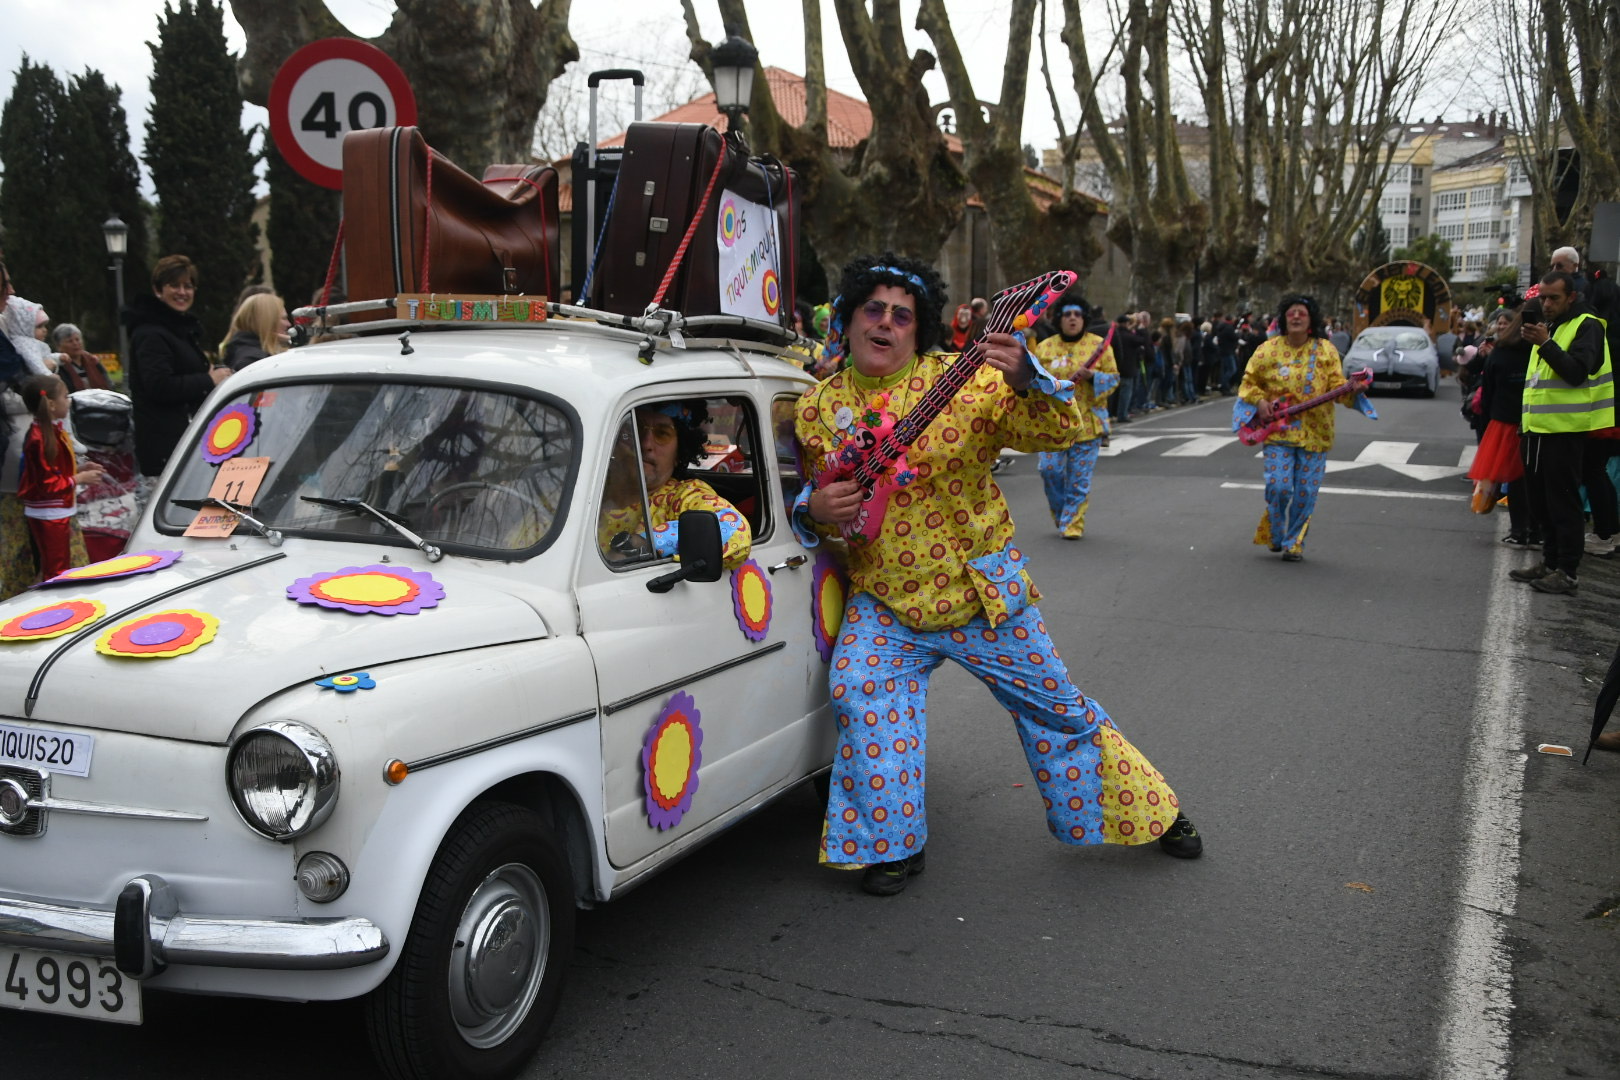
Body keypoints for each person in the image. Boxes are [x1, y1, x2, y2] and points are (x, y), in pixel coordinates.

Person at [792, 253, 1203, 897]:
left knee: (1058, 711)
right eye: (873, 308)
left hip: (982, 594)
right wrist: (812, 508)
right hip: (887, 601)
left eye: (902, 315)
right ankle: (891, 846)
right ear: (847, 319)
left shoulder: (969, 381)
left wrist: (1025, 378)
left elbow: (1062, 430)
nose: (886, 323)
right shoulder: (816, 408)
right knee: (860, 692)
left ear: (919, 328)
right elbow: (820, 493)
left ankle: (1151, 813)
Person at [1233, 293, 1375, 561]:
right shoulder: (1267, 350)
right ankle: (1275, 532)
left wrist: (1353, 390)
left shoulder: (1325, 350)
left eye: (1302, 313)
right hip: (1278, 432)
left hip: (1316, 433)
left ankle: (1293, 542)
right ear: (1284, 320)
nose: (1296, 316)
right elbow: (1248, 384)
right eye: (1291, 313)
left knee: (1306, 492)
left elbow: (1337, 388)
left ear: (1311, 320)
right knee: (1279, 487)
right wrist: (1260, 401)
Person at [1509, 271, 1615, 594]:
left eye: (1553, 297)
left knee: (1563, 503)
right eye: (1542, 297)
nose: (1546, 303)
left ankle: (1567, 572)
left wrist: (1545, 344)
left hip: (1566, 432)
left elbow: (1575, 372)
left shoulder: (1588, 325)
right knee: (1540, 503)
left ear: (1571, 296)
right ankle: (1550, 562)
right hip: (1538, 430)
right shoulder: (1552, 327)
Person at [597, 400, 751, 569]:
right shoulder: (585, 491)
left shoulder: (682, 496)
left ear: (679, 452)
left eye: (662, 434)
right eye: (635, 430)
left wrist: (642, 544)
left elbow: (734, 528)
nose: (646, 444)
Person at [123, 254, 230, 479]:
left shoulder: (177, 329)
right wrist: (209, 380)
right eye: (174, 285)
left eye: (188, 286)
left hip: (184, 442)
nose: (182, 292)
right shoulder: (151, 333)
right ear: (158, 289)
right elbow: (159, 385)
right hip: (167, 449)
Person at [1035, 295, 1117, 539]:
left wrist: (1093, 377)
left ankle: (1073, 523)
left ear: (1084, 319)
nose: (1072, 318)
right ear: (1059, 319)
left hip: (1088, 425)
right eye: (1067, 314)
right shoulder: (1044, 348)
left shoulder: (1099, 346)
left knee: (1079, 480)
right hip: (1052, 425)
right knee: (1049, 470)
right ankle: (1062, 514)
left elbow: (1114, 379)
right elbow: (1032, 384)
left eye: (1077, 314)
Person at [16, 374, 102, 581]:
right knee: (56, 568)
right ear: (52, 404)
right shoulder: (39, 438)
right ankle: (54, 607)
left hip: (55, 508)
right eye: (65, 396)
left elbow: (53, 471)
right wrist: (79, 479)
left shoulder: (49, 431)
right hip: (48, 511)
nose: (69, 401)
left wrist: (79, 468)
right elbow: (46, 484)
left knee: (60, 563)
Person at [1468, 304, 1538, 546]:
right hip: (1537, 420)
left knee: (1516, 479)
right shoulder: (1538, 351)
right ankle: (1536, 531)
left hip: (1504, 422)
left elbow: (1487, 391)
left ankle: (1519, 530)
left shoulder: (1500, 352)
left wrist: (1486, 419)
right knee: (1536, 479)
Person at [221, 292, 291, 372]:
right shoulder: (253, 362)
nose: (288, 324)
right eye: (284, 318)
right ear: (267, 322)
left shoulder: (248, 354)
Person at [48, 324, 114, 391]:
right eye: (70, 341)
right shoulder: (56, 367)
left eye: (77, 339)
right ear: (59, 346)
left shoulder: (93, 361)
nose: (75, 343)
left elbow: (109, 384)